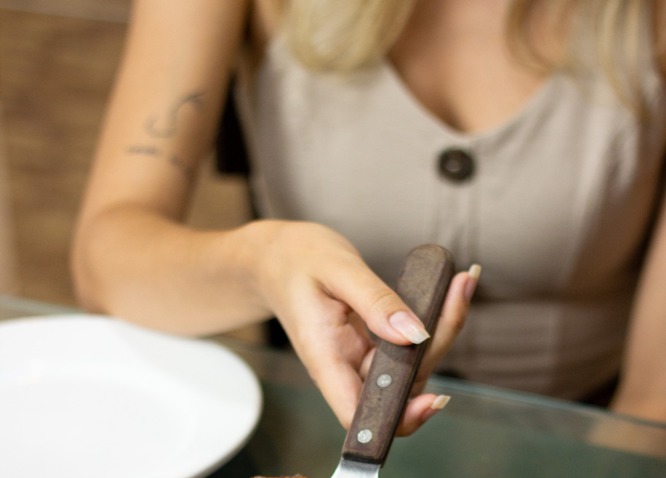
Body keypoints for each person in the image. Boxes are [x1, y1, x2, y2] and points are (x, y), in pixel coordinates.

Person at [71, 0, 666, 431]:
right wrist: (260, 262)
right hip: (308, 436)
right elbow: (106, 262)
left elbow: (652, 401)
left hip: (597, 440)